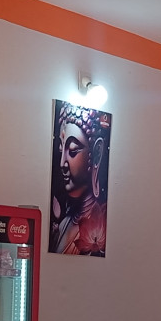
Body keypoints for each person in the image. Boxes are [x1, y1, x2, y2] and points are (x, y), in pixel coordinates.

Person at [50, 103, 108, 256]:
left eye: (73, 150)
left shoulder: (98, 226)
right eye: (61, 151)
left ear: (96, 154)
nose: (62, 163)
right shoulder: (64, 223)